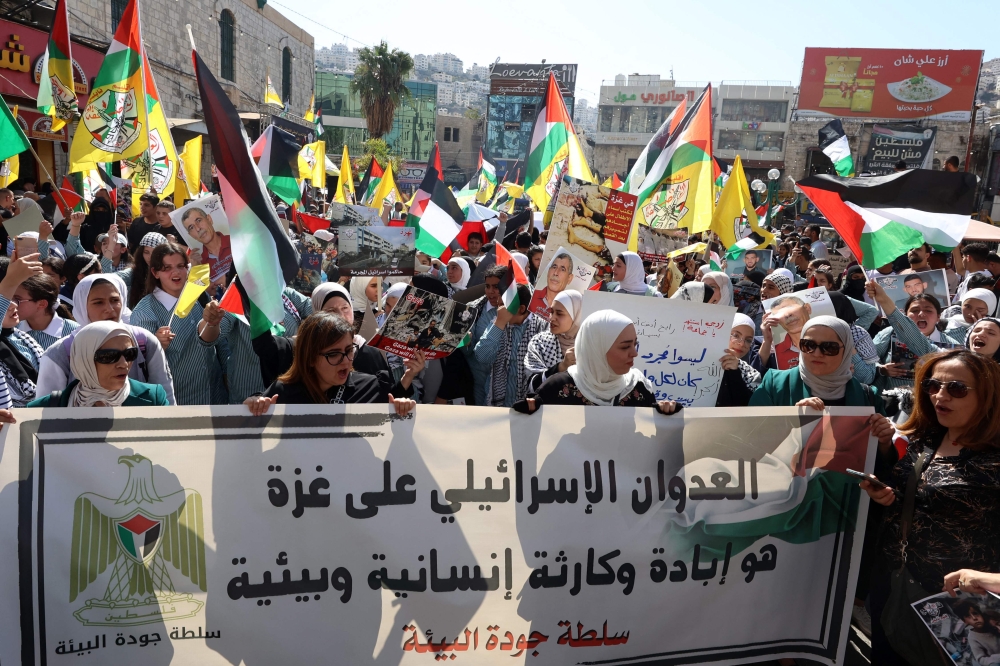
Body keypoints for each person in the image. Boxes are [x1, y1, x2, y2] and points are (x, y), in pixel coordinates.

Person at [862, 349, 1000, 664]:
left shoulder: (994, 458)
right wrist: (888, 492)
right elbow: (920, 496)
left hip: (960, 608)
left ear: (987, 396)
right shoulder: (925, 439)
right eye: (933, 386)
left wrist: (991, 579)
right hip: (894, 586)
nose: (940, 395)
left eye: (956, 388)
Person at [36, 273, 176, 404]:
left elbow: (166, 394)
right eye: (98, 302)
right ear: (82, 306)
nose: (109, 309)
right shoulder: (61, 352)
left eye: (115, 300)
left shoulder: (144, 341)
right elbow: (47, 411)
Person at [244, 312, 416, 415]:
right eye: (334, 354)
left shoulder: (371, 386)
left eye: (349, 350)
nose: (346, 361)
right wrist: (252, 406)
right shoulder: (282, 393)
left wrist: (401, 407)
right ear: (310, 357)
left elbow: (394, 432)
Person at [514, 310, 680, 413]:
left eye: (634, 344)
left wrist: (666, 414)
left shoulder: (639, 388)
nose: (634, 353)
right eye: (625, 347)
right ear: (597, 350)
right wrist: (528, 412)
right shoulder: (557, 388)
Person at [130, 243, 227, 405]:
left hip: (216, 396)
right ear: (155, 272)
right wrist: (155, 345)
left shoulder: (199, 296)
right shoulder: (144, 312)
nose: (175, 272)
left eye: (181, 266)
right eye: (166, 268)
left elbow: (220, 343)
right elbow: (137, 366)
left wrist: (227, 376)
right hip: (178, 404)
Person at [750, 315, 885, 410]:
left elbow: (875, 449)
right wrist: (791, 420)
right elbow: (751, 438)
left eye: (829, 348)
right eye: (808, 345)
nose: (817, 354)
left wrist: (884, 445)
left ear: (847, 351)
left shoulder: (867, 396)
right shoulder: (774, 385)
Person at [27, 321, 169, 407]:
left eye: (129, 354)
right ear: (84, 360)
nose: (123, 364)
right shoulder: (45, 408)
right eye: (108, 356)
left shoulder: (153, 398)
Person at [867, 280, 967, 390]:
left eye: (928, 310)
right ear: (905, 315)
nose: (921, 314)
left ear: (938, 317)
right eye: (914, 310)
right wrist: (881, 369)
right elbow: (867, 361)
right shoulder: (889, 333)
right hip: (891, 402)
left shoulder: (951, 346)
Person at [473, 282, 548, 407]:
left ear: (522, 309)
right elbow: (481, 356)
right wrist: (499, 324)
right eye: (499, 304)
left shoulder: (542, 327)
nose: (499, 309)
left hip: (528, 405)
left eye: (504, 305)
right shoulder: (497, 323)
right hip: (499, 402)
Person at [524, 289, 581, 393]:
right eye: (551, 312)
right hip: (546, 407)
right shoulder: (540, 343)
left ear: (576, 316)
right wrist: (562, 366)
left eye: (559, 314)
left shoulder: (589, 343)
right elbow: (532, 385)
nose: (552, 318)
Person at [14, 273, 78, 349]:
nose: (11, 304)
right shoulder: (11, 330)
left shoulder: (74, 333)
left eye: (17, 299)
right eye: (10, 298)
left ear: (42, 304)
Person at [715, 313, 762, 407]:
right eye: (736, 335)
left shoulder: (750, 373)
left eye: (748, 340)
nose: (741, 343)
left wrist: (734, 373)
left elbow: (749, 408)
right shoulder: (697, 363)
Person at [759, 294, 812, 370]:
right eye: (779, 313)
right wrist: (766, 340)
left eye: (790, 308)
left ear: (807, 308)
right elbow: (758, 374)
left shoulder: (829, 339)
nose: (787, 315)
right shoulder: (776, 350)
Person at [182, 206, 231, 287]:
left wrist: (228, 277)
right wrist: (196, 271)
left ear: (209, 219)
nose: (198, 228)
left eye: (199, 220)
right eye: (191, 227)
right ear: (191, 235)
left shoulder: (235, 240)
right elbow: (203, 294)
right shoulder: (199, 263)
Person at [529, 251, 574, 317]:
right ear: (548, 271)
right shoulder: (531, 295)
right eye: (554, 267)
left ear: (569, 278)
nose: (556, 273)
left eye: (562, 269)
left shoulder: (569, 311)